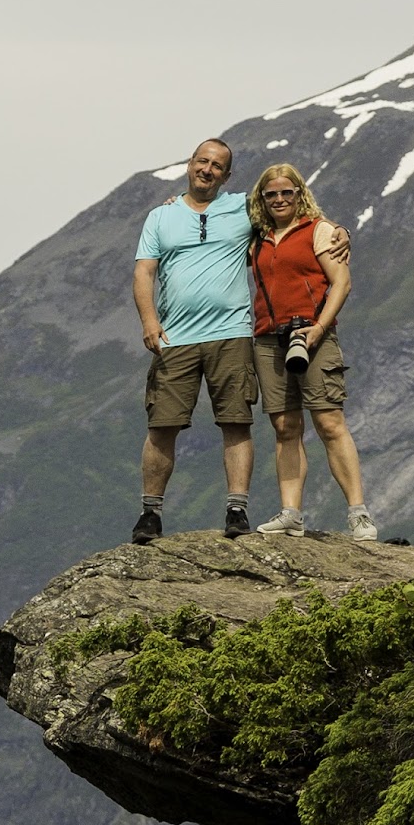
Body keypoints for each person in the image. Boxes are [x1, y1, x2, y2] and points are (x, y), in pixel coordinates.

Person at [130, 139, 259, 543]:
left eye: (217, 165)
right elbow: (143, 273)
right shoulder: (160, 216)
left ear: (227, 175)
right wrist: (149, 322)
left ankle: (237, 509)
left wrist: (337, 230)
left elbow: (295, 212)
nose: (207, 169)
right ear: (189, 164)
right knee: (162, 424)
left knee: (236, 420)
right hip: (175, 336)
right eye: (202, 161)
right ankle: (150, 514)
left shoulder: (244, 208)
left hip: (232, 333)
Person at [242, 164, 372, 539]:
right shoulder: (257, 236)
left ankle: (358, 514)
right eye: (272, 194)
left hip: (314, 335)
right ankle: (291, 513)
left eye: (287, 192)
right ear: (262, 200)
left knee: (330, 423)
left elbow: (341, 283)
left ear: (300, 194)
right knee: (285, 427)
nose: (280, 199)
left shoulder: (320, 231)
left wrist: (317, 329)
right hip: (269, 339)